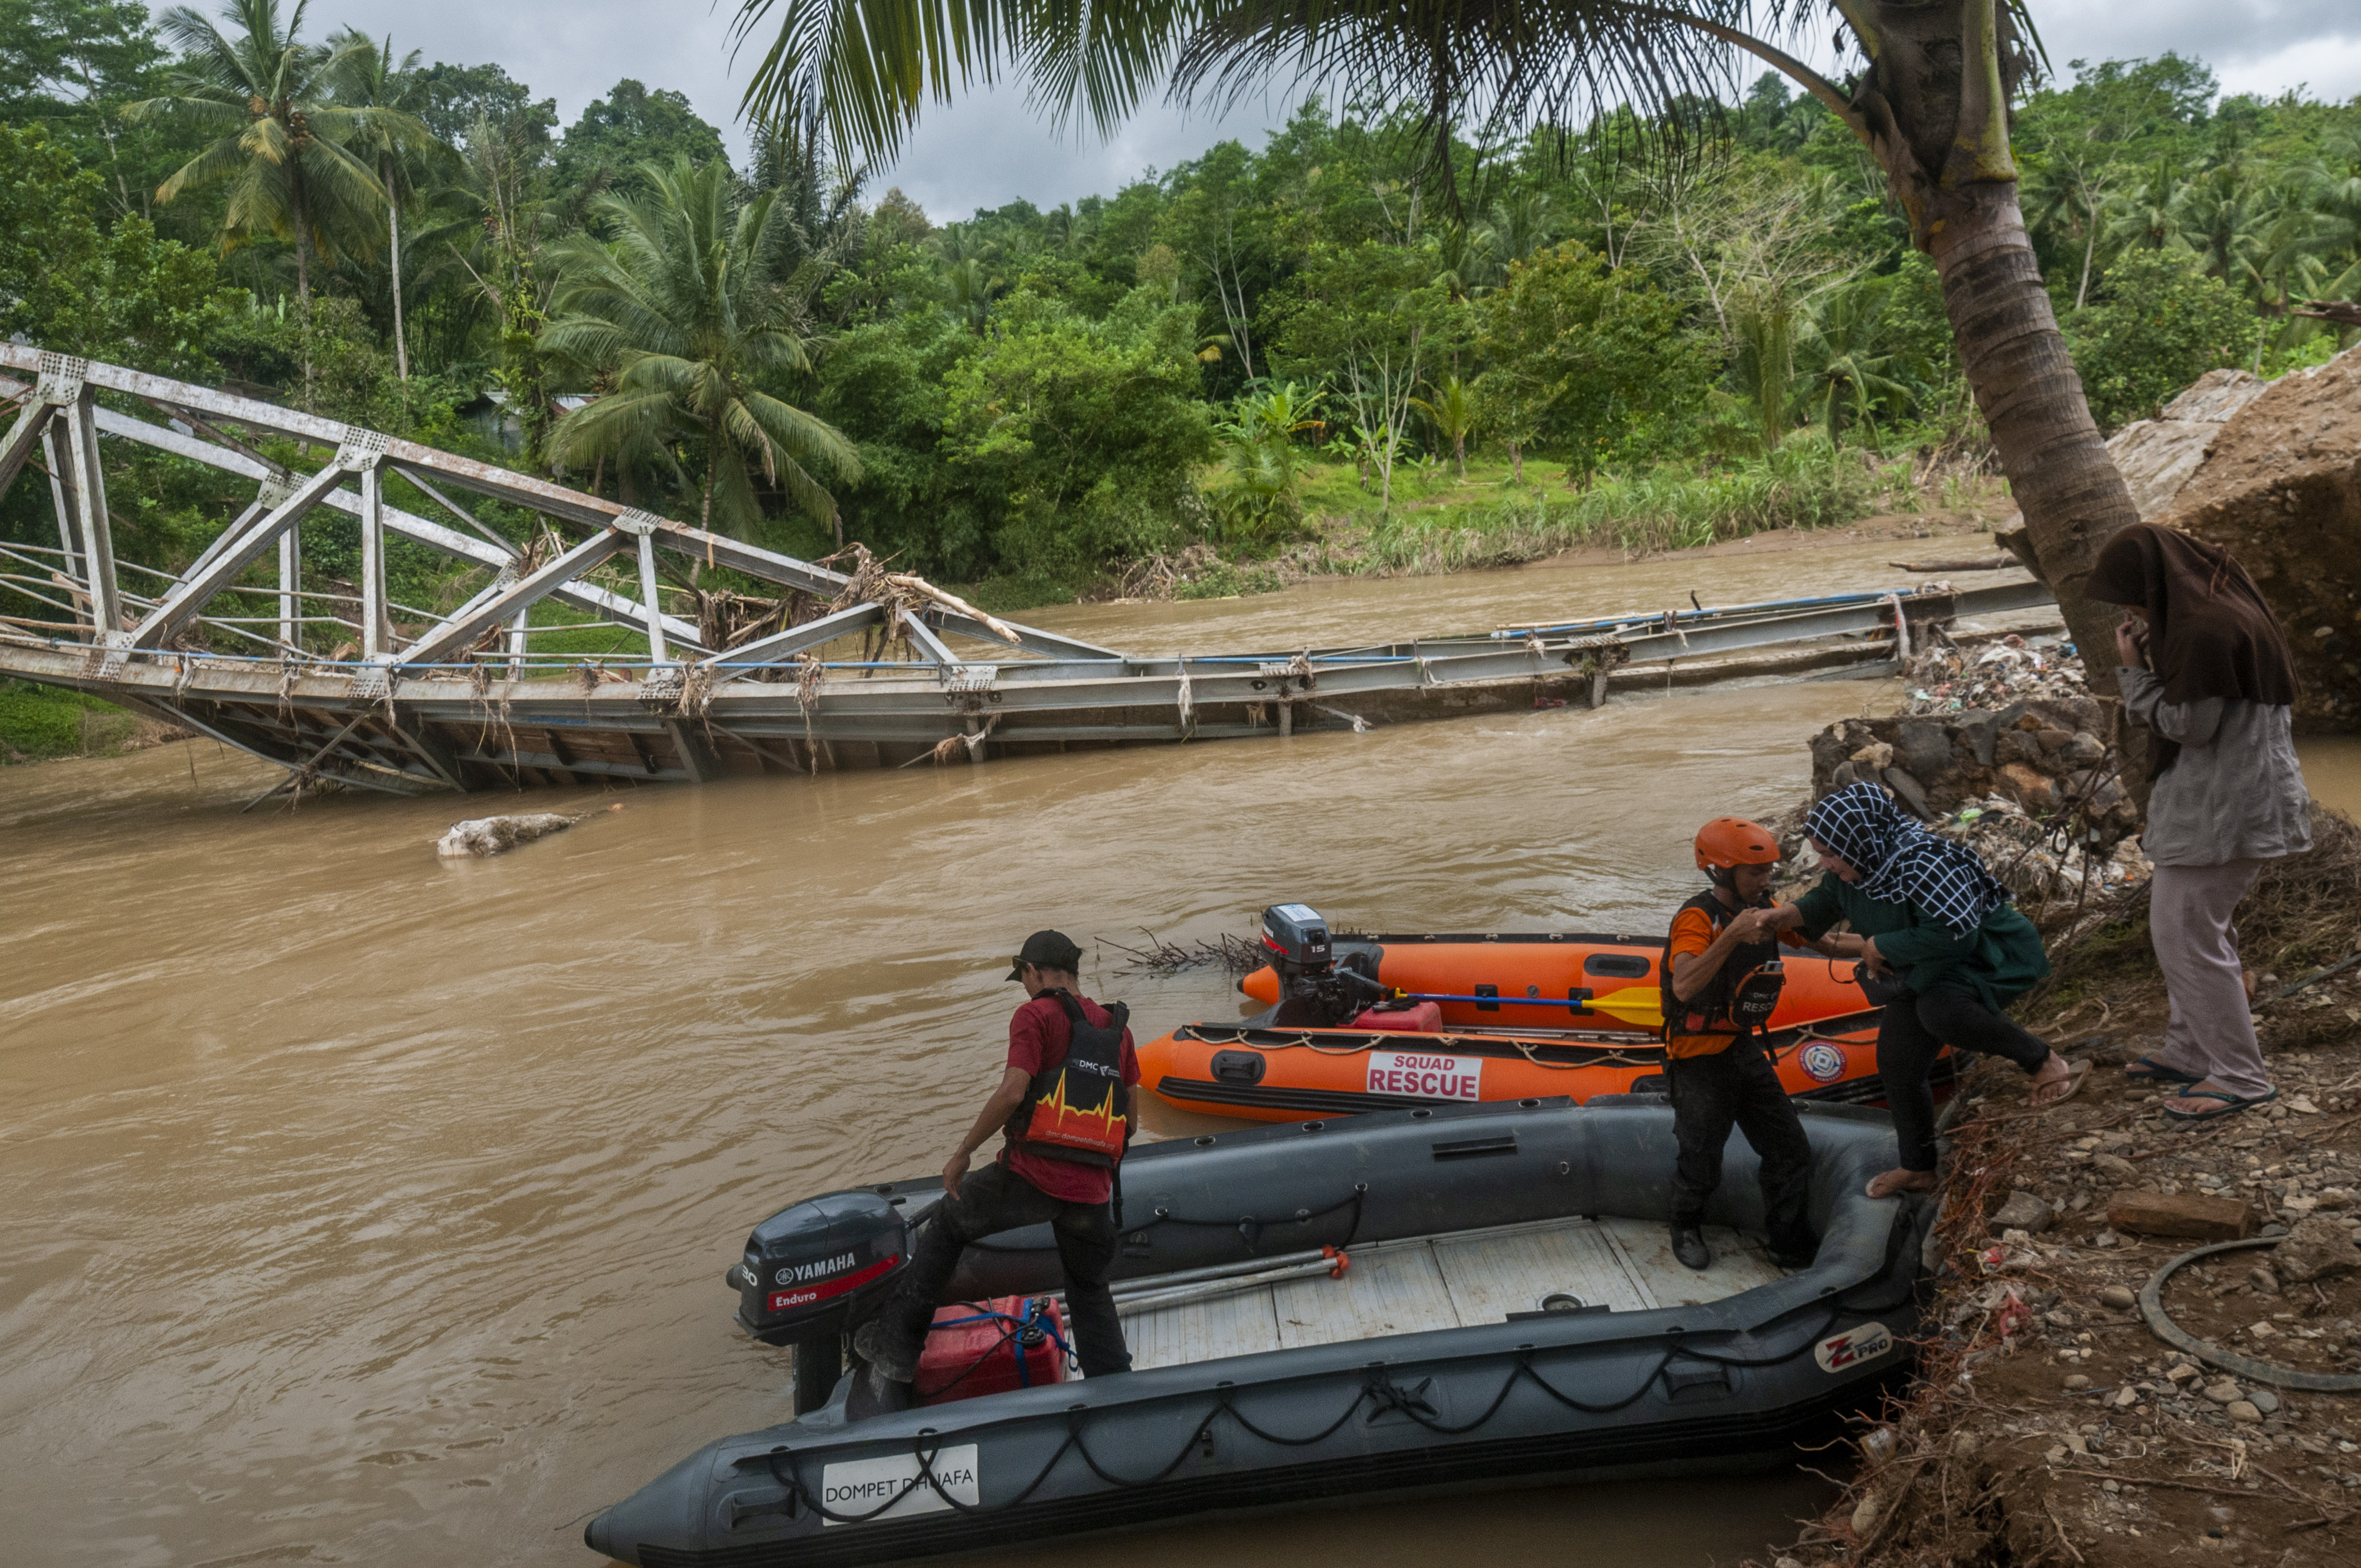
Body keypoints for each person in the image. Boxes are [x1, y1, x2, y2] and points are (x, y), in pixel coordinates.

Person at [850, 930, 1139, 1413]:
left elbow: (1012, 1092)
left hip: (1032, 1175)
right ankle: (1114, 1391)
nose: (1024, 987)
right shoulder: (1118, 1029)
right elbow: (1131, 1121)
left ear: (1033, 971)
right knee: (1089, 1287)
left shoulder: (1034, 1015)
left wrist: (963, 1150)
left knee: (949, 1220)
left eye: (1023, 977)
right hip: (1092, 1189)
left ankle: (896, 1348)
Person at [2086, 522, 2311, 1122]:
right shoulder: (2224, 606)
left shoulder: (2203, 631)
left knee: (2186, 936)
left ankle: (2239, 1075)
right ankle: (2190, 1050)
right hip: (2237, 799)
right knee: (2194, 930)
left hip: (2224, 808)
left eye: (2133, 597)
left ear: (2153, 584)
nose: (2132, 610)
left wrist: (2133, 670)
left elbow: (2190, 724)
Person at [1766, 781, 2085, 1198]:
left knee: (1941, 1010)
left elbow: (1958, 934)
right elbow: (1820, 905)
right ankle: (1918, 1167)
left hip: (1983, 954)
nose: (1825, 862)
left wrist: (1879, 945)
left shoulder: (1923, 861)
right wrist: (1772, 917)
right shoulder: (1856, 868)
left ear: (1859, 840)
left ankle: (2043, 1060)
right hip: (1922, 964)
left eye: (1830, 853)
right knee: (1897, 1060)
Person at [1659, 817, 1822, 1272]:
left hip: (1740, 1046)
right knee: (1702, 1155)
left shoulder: (1766, 908)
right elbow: (1686, 984)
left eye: (1769, 870)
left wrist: (1874, 946)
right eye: (1757, 872)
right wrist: (1731, 935)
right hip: (1695, 1056)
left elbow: (1823, 940)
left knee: (1790, 1148)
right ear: (1722, 871)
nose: (1767, 880)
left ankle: (1787, 1242)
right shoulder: (1697, 917)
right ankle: (1685, 1225)